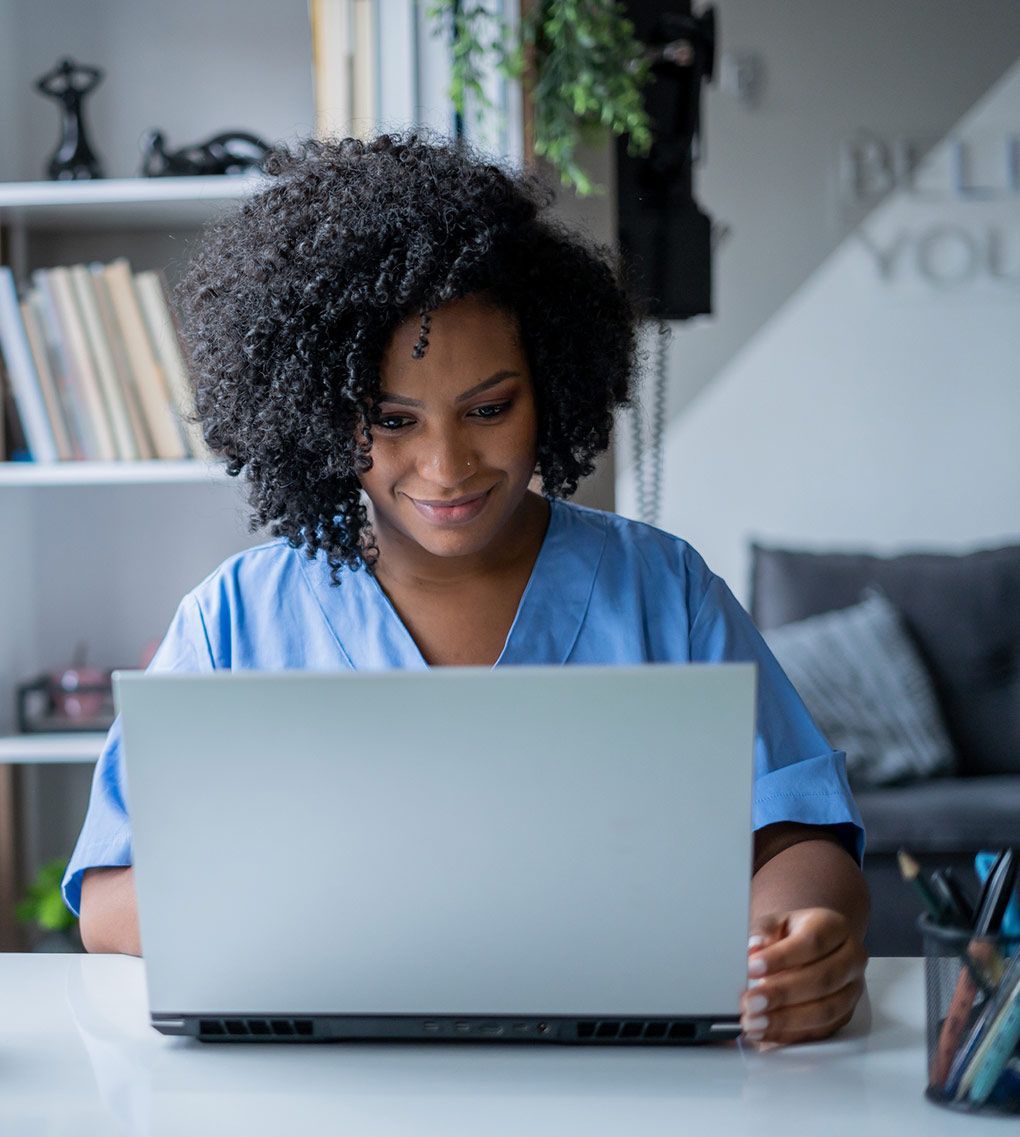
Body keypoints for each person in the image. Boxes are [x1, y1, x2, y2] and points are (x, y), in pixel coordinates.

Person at [63, 132, 868, 1047]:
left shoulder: (663, 590)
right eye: (392, 421)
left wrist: (800, 935)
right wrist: (335, 912)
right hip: (321, 1095)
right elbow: (109, 895)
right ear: (318, 416)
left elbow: (799, 836)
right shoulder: (232, 619)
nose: (446, 466)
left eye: (489, 408)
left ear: (554, 386)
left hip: (624, 1087)